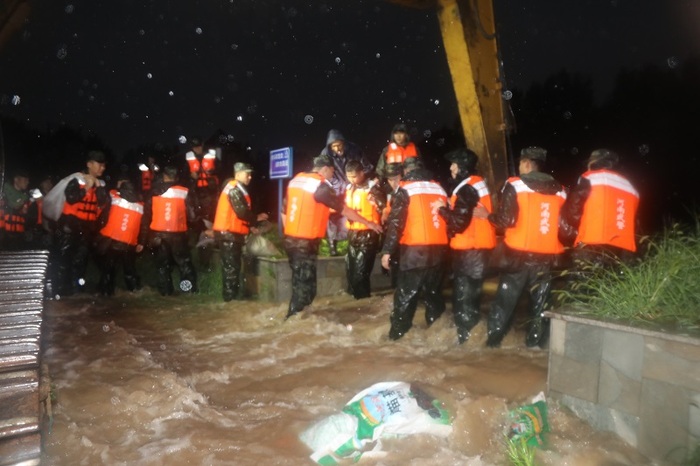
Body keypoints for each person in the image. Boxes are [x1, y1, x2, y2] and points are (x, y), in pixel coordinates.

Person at [475, 147, 567, 348]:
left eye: (520, 164)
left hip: (518, 257)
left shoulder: (515, 185)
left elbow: (505, 220)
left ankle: (492, 345)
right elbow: (565, 229)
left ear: (526, 163)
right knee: (540, 306)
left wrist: (486, 216)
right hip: (546, 259)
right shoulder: (560, 190)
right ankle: (534, 346)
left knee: (504, 304)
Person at [283, 154, 382, 319]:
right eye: (332, 171)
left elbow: (284, 211)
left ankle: (296, 318)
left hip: (291, 240)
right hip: (304, 243)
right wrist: (369, 223)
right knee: (306, 289)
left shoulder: (296, 181)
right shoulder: (319, 186)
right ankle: (294, 322)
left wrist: (290, 231)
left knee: (298, 282)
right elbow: (344, 209)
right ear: (325, 169)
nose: (332, 174)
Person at [379, 157, 449, 340]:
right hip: (440, 252)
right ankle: (439, 334)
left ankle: (397, 337)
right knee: (433, 294)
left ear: (407, 172)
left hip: (415, 252)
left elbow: (396, 224)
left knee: (406, 296)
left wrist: (387, 251)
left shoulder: (406, 190)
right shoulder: (439, 188)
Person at [436, 148, 497, 344]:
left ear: (462, 167)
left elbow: (458, 222)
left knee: (463, 300)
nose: (451, 168)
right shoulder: (476, 184)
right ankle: (474, 340)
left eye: (454, 164)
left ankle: (464, 342)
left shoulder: (467, 188)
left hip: (470, 251)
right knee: (471, 299)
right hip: (478, 250)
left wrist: (442, 210)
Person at [560, 148, 640, 269]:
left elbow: (573, 213)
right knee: (612, 285)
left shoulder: (589, 178)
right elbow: (634, 222)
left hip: (591, 246)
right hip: (622, 252)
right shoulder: (631, 187)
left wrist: (579, 227)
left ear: (594, 163)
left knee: (584, 285)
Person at [54, 150, 110, 295]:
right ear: (89, 164)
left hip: (86, 228)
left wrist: (98, 188)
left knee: (81, 260)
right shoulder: (76, 180)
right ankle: (59, 290)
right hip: (69, 226)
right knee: (64, 258)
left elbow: (103, 203)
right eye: (99, 165)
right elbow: (71, 198)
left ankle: (76, 289)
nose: (102, 168)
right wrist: (86, 187)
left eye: (104, 166)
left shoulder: (101, 185)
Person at [212, 162, 269, 301]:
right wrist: (256, 218)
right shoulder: (234, 189)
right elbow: (242, 211)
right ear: (237, 174)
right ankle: (230, 300)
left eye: (250, 174)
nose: (250, 177)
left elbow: (239, 215)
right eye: (246, 174)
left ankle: (231, 298)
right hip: (228, 234)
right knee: (231, 269)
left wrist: (250, 226)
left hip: (231, 234)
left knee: (233, 268)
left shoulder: (236, 188)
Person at [140, 165, 199, 296]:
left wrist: (142, 240)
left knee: (162, 266)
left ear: (164, 176)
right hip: (178, 234)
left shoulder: (152, 192)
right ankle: (189, 291)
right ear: (176, 177)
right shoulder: (184, 191)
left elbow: (146, 217)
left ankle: (165, 293)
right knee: (184, 264)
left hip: (158, 235)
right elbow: (193, 216)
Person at [319, 129, 374, 255]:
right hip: (335, 187)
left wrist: (357, 179)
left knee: (356, 211)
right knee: (332, 215)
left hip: (355, 185)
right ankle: (333, 245)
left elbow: (367, 167)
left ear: (344, 143)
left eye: (340, 145)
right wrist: (338, 186)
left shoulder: (354, 149)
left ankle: (355, 240)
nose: (338, 149)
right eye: (334, 146)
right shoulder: (325, 153)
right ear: (330, 146)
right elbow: (324, 173)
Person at [343, 160, 385, 299]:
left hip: (368, 234)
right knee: (350, 271)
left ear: (362, 173)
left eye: (354, 176)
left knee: (360, 274)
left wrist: (377, 205)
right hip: (352, 233)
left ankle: (363, 305)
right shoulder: (349, 187)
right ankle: (357, 303)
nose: (351, 179)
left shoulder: (373, 188)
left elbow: (385, 209)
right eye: (349, 176)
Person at [94, 180, 144, 296]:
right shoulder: (141, 206)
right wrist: (141, 241)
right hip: (129, 243)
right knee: (129, 270)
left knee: (108, 269)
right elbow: (143, 226)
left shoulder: (115, 197)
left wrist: (104, 187)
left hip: (113, 241)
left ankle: (106, 292)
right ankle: (134, 291)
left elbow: (104, 196)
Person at [185, 136, 219, 267]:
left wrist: (212, 171)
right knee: (197, 224)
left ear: (202, 145)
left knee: (209, 224)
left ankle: (208, 260)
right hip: (195, 195)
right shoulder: (188, 159)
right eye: (195, 147)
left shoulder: (211, 156)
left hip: (210, 194)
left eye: (199, 146)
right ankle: (200, 259)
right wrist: (190, 176)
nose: (197, 149)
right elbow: (182, 176)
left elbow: (221, 168)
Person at [1, 169, 32, 250]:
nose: (27, 182)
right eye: (25, 179)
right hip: (5, 235)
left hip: (19, 234)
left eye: (28, 180)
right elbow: (14, 205)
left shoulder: (26, 195)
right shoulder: (4, 191)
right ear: (16, 179)